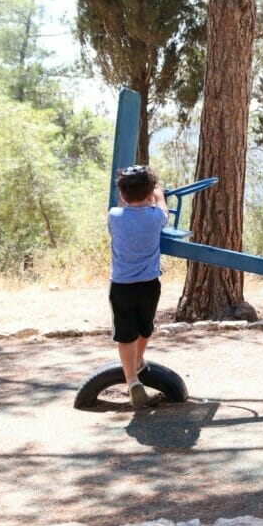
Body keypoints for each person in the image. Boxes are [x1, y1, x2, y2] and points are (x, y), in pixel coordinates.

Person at [108, 165, 168, 410]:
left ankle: (132, 379)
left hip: (122, 286)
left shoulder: (114, 216)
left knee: (125, 334)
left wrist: (146, 194)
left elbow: (124, 215)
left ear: (122, 196)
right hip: (149, 284)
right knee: (146, 328)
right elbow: (162, 209)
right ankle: (140, 360)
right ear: (149, 194)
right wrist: (160, 194)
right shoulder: (156, 217)